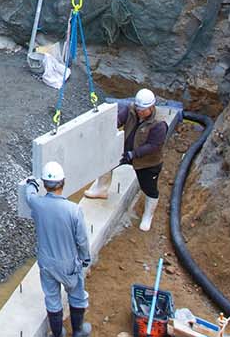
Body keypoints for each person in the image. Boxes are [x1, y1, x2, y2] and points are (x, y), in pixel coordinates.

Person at [23, 161, 93, 337]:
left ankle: (57, 333)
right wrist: (85, 258)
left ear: (45, 185)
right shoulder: (73, 210)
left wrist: (31, 183)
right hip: (68, 263)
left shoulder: (38, 205)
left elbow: (29, 195)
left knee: (52, 299)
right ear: (63, 182)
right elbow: (82, 240)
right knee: (76, 295)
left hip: (47, 263)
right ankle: (78, 331)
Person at [84, 88, 167, 231]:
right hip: (126, 151)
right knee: (106, 163)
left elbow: (153, 146)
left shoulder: (159, 123)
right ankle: (101, 189)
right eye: (138, 108)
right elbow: (119, 119)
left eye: (143, 110)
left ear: (151, 107)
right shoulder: (131, 110)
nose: (139, 112)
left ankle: (148, 215)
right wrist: (110, 125)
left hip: (147, 161)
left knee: (149, 188)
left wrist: (133, 154)